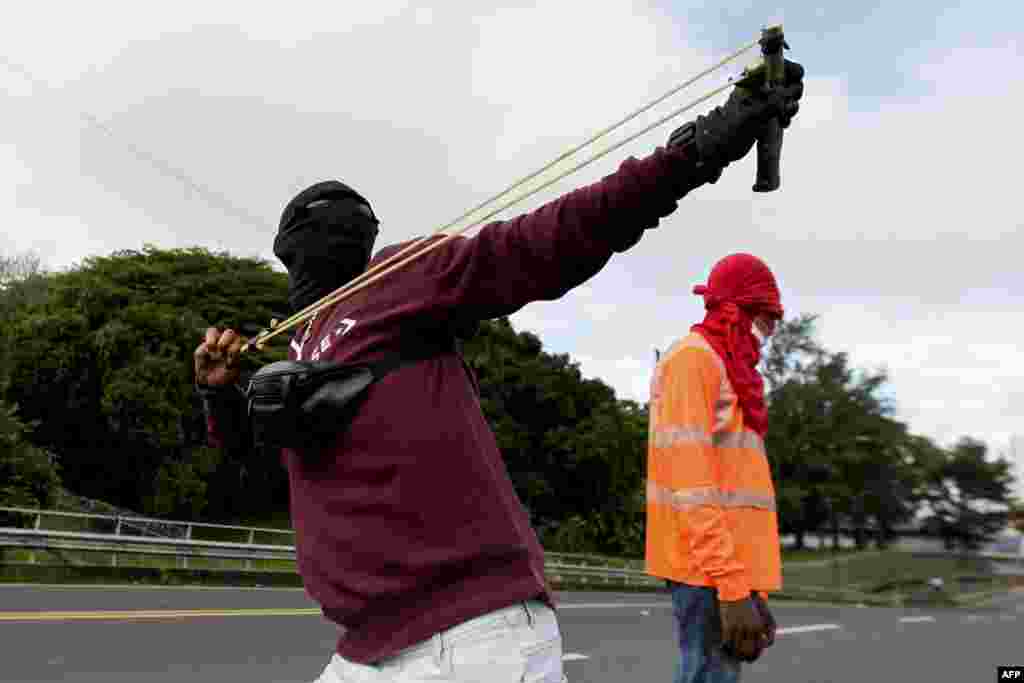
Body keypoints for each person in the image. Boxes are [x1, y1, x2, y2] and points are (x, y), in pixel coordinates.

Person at [193, 60, 804, 683]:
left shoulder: (398, 277)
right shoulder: (300, 346)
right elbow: (253, 457)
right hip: (363, 648)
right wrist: (219, 397)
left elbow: (550, 240)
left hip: (471, 638)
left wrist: (702, 147)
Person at [645, 252, 786, 682]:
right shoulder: (694, 360)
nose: (773, 329)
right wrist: (730, 586)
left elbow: (736, 489)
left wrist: (752, 589)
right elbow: (693, 485)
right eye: (767, 316)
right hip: (705, 568)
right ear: (738, 310)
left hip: (730, 570)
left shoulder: (731, 369)